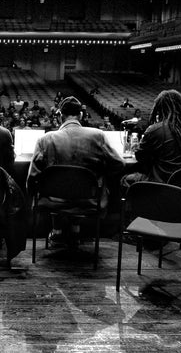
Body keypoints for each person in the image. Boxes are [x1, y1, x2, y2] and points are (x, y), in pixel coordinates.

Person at [27, 96, 125, 246]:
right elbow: (119, 164)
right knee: (90, 183)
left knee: (60, 185)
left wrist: (33, 196)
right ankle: (75, 230)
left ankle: (58, 232)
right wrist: (98, 173)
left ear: (60, 115)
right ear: (80, 115)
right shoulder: (98, 136)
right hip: (89, 199)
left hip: (54, 200)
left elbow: (32, 177)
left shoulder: (45, 140)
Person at [123, 89, 181, 186]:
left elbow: (141, 157)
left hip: (162, 186)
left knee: (124, 179)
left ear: (159, 109)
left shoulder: (155, 130)